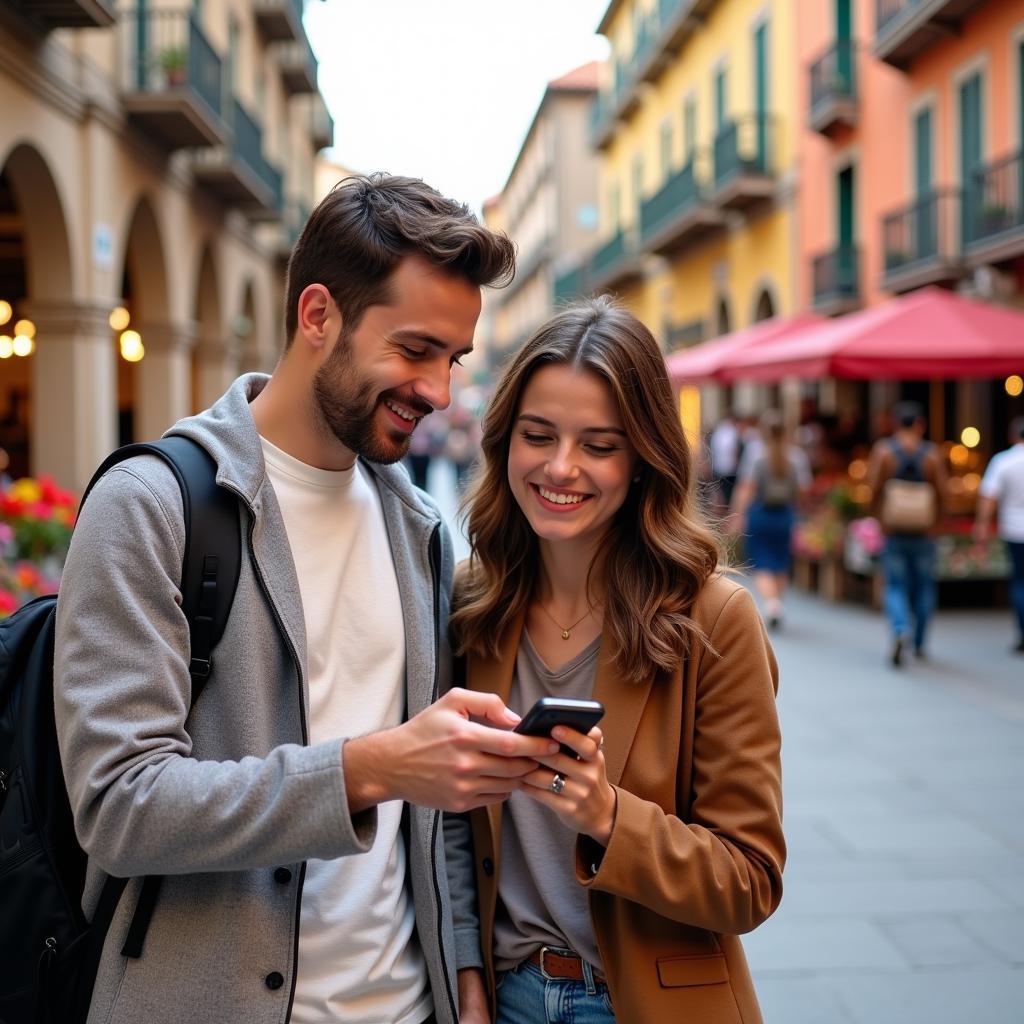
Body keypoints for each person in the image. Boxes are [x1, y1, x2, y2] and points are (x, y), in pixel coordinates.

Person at [53, 174, 560, 1024]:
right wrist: (368, 769)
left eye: (453, 358)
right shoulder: (150, 504)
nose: (438, 390)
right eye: (414, 349)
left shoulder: (419, 529)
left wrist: (465, 979)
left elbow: (435, 826)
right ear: (318, 315)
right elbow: (119, 806)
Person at [445, 298, 784, 1024]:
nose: (560, 468)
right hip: (502, 1000)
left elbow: (750, 880)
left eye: (599, 445)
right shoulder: (471, 606)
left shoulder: (715, 618)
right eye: (538, 435)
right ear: (505, 441)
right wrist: (469, 979)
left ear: (641, 459)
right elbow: (447, 830)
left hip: (641, 1004)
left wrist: (608, 816)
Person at [867, 401, 948, 667]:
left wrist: (879, 520)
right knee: (924, 586)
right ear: (920, 424)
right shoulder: (932, 454)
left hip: (894, 530)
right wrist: (936, 524)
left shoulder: (884, 452)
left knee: (896, 585)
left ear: (895, 424)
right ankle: (920, 642)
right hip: (924, 531)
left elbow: (874, 489)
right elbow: (943, 494)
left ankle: (901, 629)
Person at [730, 409, 812, 630]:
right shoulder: (797, 456)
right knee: (781, 561)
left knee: (762, 561)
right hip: (786, 514)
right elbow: (804, 490)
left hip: (761, 513)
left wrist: (737, 515)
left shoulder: (756, 453)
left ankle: (772, 603)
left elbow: (746, 488)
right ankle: (777, 601)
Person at [975, 417, 1024, 654]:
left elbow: (989, 498)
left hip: (1015, 530)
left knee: (1019, 582)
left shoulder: (1003, 461)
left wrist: (982, 528)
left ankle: (1023, 633)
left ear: (1014, 436)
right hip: (1014, 529)